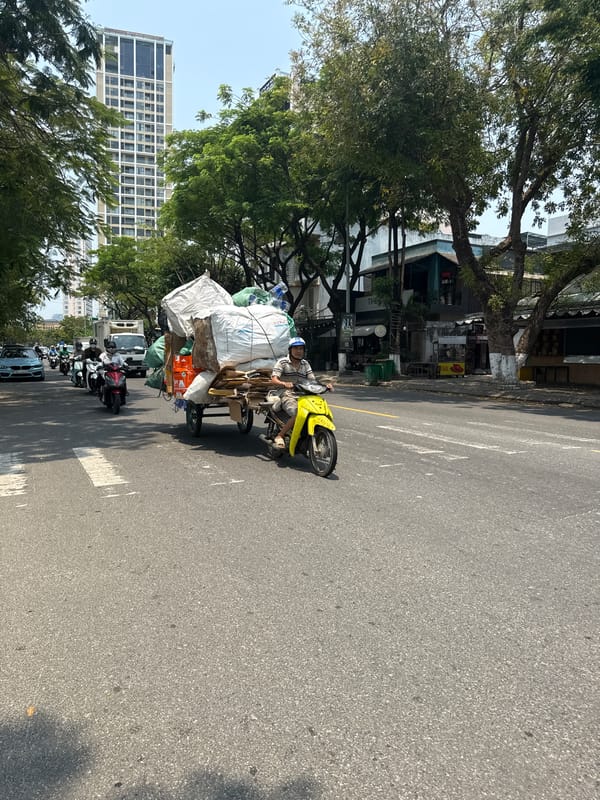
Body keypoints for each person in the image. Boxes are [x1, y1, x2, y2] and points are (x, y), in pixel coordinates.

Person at [270, 336, 333, 449]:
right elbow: (274, 379)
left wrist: (325, 386)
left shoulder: (305, 364)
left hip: (303, 394)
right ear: (290, 350)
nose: (299, 351)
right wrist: (284, 384)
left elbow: (312, 380)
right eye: (296, 348)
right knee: (297, 413)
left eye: (301, 349)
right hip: (286, 393)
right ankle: (280, 435)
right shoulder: (283, 362)